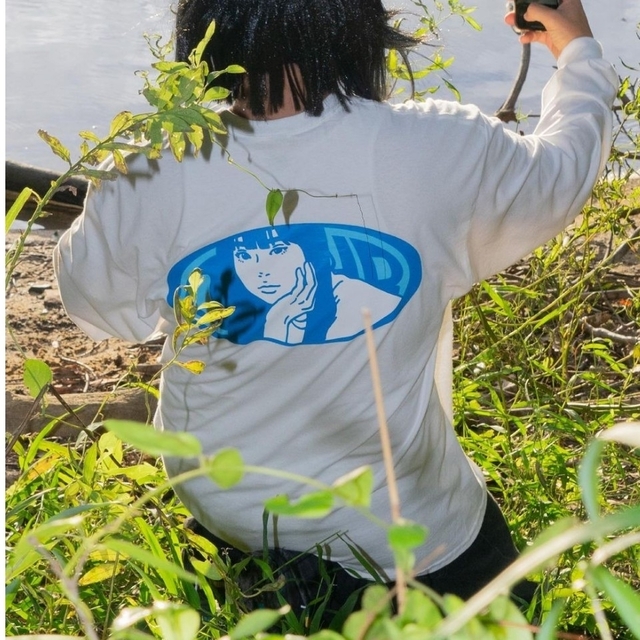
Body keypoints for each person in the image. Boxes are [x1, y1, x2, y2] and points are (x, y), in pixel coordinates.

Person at [54, 0, 617, 624]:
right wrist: (577, 49)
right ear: (363, 24)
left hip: (233, 516)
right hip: (412, 528)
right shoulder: (439, 147)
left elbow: (98, 306)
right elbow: (565, 172)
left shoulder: (151, 167)